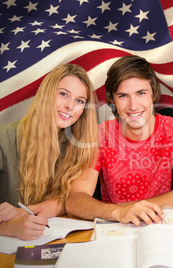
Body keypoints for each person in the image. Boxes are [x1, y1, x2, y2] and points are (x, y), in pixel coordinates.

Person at [65, 55, 173, 226]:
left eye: (141, 93)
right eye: (123, 96)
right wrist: (120, 212)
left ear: (153, 94)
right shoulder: (98, 136)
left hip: (164, 229)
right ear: (112, 100)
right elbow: (75, 201)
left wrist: (133, 209)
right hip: (116, 227)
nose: (133, 106)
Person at [0, 63, 99, 240]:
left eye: (79, 101)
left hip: (53, 240)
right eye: (63, 94)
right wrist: (10, 227)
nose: (70, 106)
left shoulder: (79, 146)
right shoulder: (4, 139)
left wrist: (26, 214)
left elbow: (67, 200)